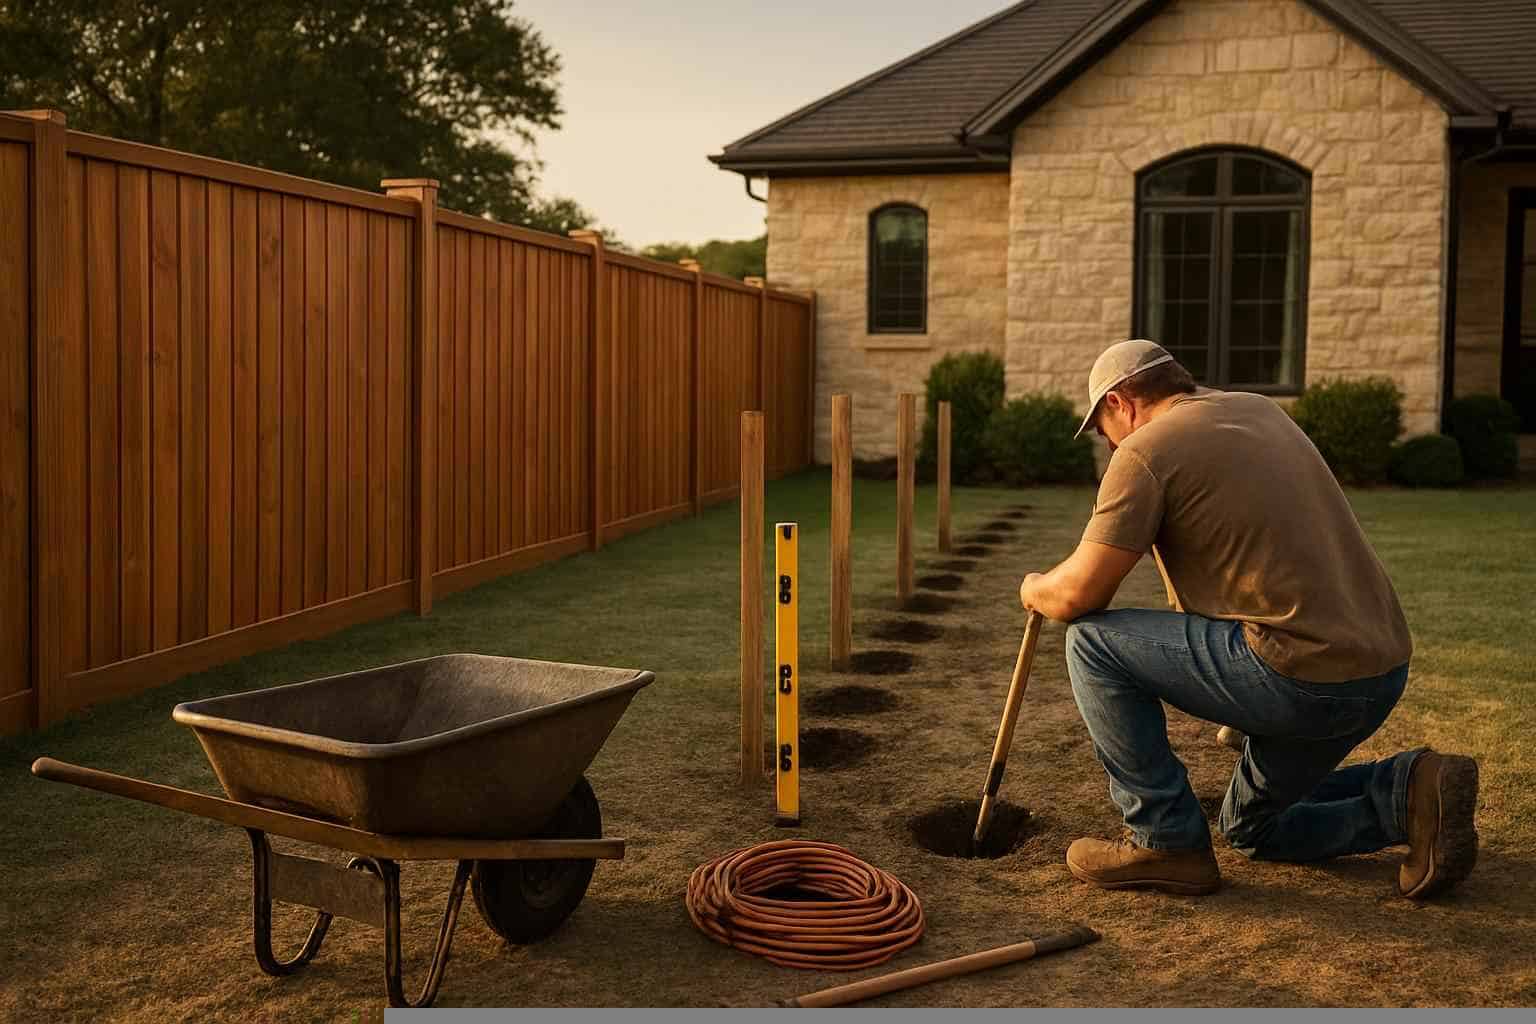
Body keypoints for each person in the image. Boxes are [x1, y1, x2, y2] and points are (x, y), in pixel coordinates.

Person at [1019, 339, 1479, 898]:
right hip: (1379, 672)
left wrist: (1035, 586)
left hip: (1300, 677)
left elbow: (1077, 596)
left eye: (1101, 427)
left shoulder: (1143, 452)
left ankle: (1164, 839)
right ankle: (1408, 793)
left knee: (1092, 642)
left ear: (1121, 402)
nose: (1105, 441)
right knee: (1251, 828)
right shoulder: (1258, 410)